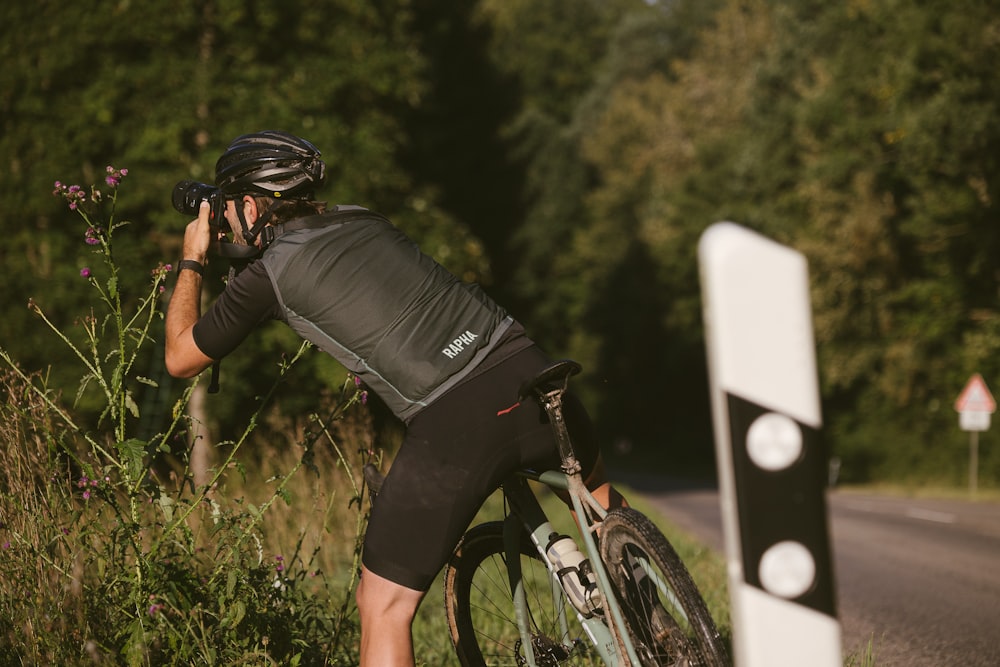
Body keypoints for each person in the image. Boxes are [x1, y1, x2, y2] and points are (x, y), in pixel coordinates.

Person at [165, 130, 625, 666]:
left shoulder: (268, 276)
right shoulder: (365, 218)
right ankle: (657, 623)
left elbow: (181, 357)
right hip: (531, 365)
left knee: (382, 606)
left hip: (459, 419)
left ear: (247, 204)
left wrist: (193, 258)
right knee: (599, 502)